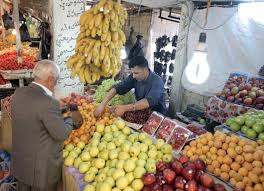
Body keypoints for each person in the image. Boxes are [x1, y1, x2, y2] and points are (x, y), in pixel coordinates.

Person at [11, 60, 82, 191]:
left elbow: (33, 115)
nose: (55, 84)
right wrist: (69, 118)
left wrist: (56, 110)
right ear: (50, 79)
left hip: (22, 165)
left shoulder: (18, 93)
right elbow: (61, 134)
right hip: (41, 171)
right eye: (56, 80)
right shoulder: (49, 102)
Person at [94, 56, 167, 117]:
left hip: (158, 116)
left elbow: (147, 102)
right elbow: (118, 87)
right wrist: (102, 104)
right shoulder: (134, 77)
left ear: (145, 69)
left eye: (136, 73)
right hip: (142, 113)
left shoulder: (157, 81)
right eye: (132, 73)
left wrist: (124, 108)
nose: (134, 76)